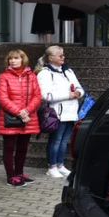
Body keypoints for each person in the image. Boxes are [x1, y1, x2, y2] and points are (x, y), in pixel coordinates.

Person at [0, 49, 42, 187]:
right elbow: (2, 98)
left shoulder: (31, 76)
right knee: (9, 148)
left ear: (23, 59)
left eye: (16, 58)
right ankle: (11, 177)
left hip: (27, 117)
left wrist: (27, 111)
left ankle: (19, 173)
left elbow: (37, 96)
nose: (13, 61)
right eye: (10, 58)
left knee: (23, 147)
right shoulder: (4, 76)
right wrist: (19, 112)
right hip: (11, 118)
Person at [37, 45, 84, 178]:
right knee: (56, 140)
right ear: (51, 58)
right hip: (57, 113)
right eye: (60, 55)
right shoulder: (45, 73)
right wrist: (69, 95)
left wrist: (78, 93)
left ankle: (60, 165)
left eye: (63, 55)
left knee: (64, 141)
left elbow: (79, 87)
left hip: (71, 111)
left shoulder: (68, 71)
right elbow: (46, 95)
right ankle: (52, 166)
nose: (63, 57)